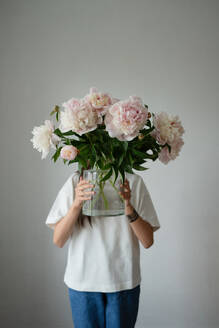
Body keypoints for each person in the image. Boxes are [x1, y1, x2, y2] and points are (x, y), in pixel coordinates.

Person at [45, 164, 161, 328]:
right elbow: (58, 240)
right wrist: (77, 204)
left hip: (123, 281)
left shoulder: (132, 181)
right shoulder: (77, 182)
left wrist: (128, 206)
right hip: (83, 282)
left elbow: (148, 240)